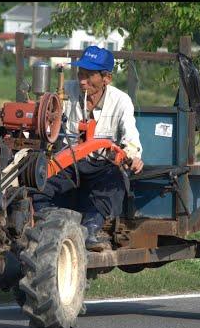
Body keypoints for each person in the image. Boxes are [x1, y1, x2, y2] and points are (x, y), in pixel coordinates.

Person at [32, 45, 144, 251]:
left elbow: (131, 138)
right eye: (80, 73)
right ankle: (46, 228)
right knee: (40, 184)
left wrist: (132, 155)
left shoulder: (120, 101)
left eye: (88, 75)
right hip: (69, 162)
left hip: (101, 166)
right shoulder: (65, 93)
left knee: (115, 183)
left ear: (106, 78)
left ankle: (89, 231)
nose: (82, 80)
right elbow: (46, 121)